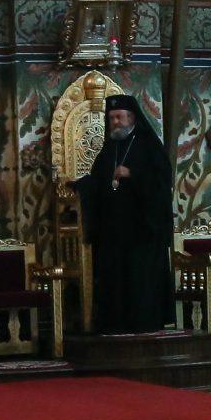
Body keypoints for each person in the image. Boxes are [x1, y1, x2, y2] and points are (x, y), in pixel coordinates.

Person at [75, 95, 176, 332]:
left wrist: (132, 174)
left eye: (119, 117)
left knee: (140, 283)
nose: (115, 122)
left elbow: (162, 182)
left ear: (132, 118)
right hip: (114, 232)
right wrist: (81, 185)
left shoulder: (148, 145)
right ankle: (115, 327)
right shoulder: (109, 149)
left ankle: (144, 325)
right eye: (111, 118)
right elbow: (100, 181)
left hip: (142, 230)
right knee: (115, 281)